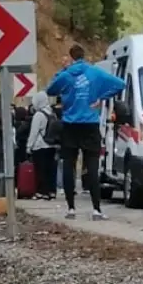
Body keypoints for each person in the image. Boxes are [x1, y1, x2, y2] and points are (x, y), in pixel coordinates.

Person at [45, 44, 125, 221]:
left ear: (71, 57)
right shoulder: (95, 72)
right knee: (92, 167)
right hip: (90, 124)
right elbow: (121, 84)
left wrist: (61, 72)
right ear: (84, 55)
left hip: (70, 124)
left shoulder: (66, 75)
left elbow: (50, 90)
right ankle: (96, 210)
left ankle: (71, 209)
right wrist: (101, 97)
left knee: (69, 166)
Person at [26, 93, 59, 200]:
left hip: (40, 146)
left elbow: (34, 132)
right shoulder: (52, 113)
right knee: (51, 170)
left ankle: (41, 192)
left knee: (41, 170)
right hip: (52, 145)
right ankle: (51, 191)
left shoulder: (38, 115)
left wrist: (29, 146)